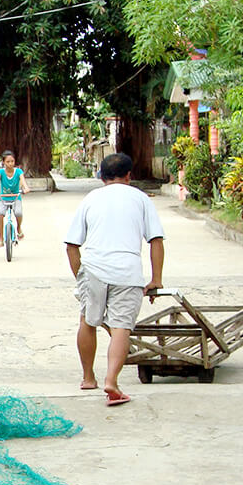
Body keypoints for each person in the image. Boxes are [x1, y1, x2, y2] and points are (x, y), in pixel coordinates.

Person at [64, 152, 165, 406]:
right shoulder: (141, 199)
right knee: (121, 327)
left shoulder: (91, 199)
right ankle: (112, 381)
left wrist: (81, 278)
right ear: (129, 176)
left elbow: (71, 246)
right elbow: (156, 241)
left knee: (87, 321)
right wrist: (156, 279)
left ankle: (88, 378)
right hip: (128, 271)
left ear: (101, 175)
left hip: (94, 269)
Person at [0, 150, 30, 246]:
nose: (10, 164)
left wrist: (25, 188)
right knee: (0, 215)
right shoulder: (0, 172)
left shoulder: (18, 171)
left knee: (18, 213)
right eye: (8, 162)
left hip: (15, 197)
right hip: (3, 198)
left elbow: (23, 181)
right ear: (3, 162)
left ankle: (18, 228)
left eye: (12, 161)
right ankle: (1, 240)